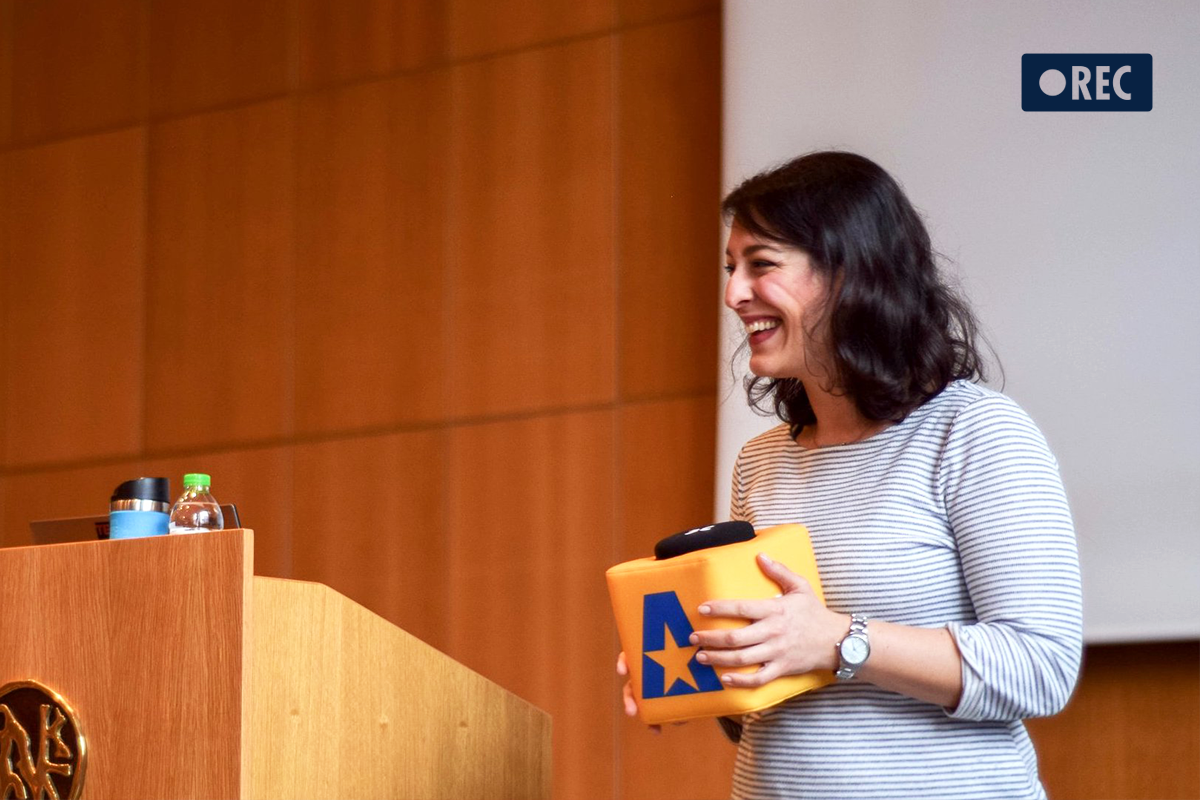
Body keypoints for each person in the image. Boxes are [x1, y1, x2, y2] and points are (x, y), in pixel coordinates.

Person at [618, 151, 1083, 799]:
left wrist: (840, 639)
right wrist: (700, 668)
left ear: (849, 273)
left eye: (762, 264)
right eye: (731, 268)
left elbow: (1042, 669)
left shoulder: (976, 433)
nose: (733, 294)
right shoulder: (760, 460)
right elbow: (776, 697)